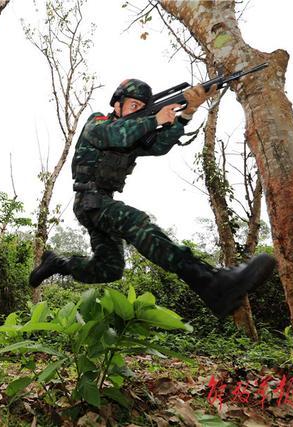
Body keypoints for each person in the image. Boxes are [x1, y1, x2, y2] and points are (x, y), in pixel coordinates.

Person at [29, 79, 276, 318]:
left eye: (142, 107)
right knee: (137, 223)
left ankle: (58, 263)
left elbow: (158, 146)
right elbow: (115, 136)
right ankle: (211, 282)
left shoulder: (136, 133)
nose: (138, 111)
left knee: (110, 268)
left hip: (100, 202)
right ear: (117, 104)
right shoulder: (99, 122)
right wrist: (155, 118)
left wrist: (187, 112)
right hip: (89, 200)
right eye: (133, 105)